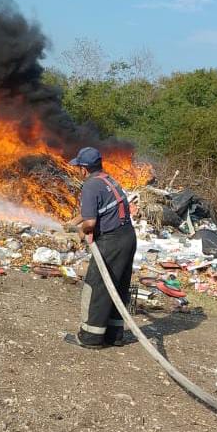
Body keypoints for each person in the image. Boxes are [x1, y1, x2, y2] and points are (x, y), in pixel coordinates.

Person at [64, 146, 137, 349]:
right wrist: (72, 222)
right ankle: (114, 335)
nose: (78, 170)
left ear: (84, 169)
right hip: (128, 237)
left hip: (111, 241)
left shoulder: (89, 186)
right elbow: (98, 209)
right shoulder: (107, 180)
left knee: (97, 286)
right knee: (118, 285)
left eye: (79, 167)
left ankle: (90, 337)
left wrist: (81, 231)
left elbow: (91, 223)